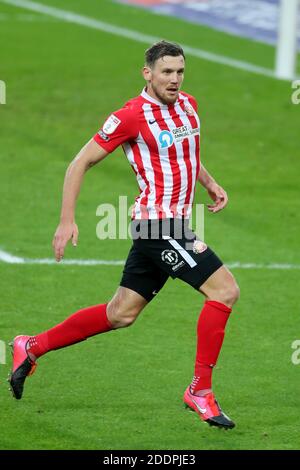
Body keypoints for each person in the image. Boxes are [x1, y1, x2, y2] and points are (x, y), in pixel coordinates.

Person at [9, 40, 239, 429]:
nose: (175, 79)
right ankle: (200, 391)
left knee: (121, 314)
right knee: (225, 290)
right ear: (147, 73)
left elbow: (187, 153)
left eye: (180, 71)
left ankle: (30, 346)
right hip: (157, 226)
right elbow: (79, 163)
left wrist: (209, 182)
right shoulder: (130, 116)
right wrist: (67, 220)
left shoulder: (188, 105)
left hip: (174, 224)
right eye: (167, 72)